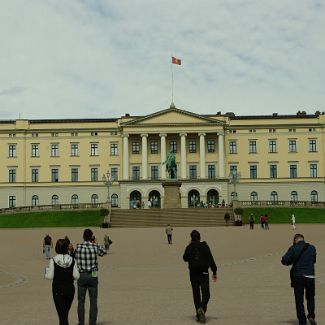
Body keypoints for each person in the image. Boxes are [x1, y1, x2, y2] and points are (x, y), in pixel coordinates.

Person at [281, 233, 317, 325]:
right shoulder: (312, 248)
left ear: (295, 240)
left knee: (299, 300)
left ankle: (302, 321)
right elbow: (314, 260)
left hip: (298, 276)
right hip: (310, 276)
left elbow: (284, 260)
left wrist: (291, 261)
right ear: (303, 239)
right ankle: (311, 316)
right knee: (310, 298)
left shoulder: (293, 248)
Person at [183, 230, 217, 324]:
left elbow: (185, 258)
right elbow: (210, 259)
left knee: (196, 294)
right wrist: (214, 271)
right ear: (199, 237)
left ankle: (199, 314)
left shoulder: (189, 247)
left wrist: (189, 246)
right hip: (204, 273)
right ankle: (202, 309)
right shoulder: (205, 247)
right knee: (206, 294)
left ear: (191, 238)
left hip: (193, 274)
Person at [75, 229, 107, 325]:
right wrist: (95, 242)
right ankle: (92, 322)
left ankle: (81, 323)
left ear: (83, 237)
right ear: (92, 237)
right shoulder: (95, 246)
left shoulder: (78, 246)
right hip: (93, 274)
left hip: (82, 274)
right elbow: (104, 252)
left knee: (81, 301)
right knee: (93, 301)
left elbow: (75, 257)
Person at [45, 238, 80, 325]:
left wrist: (46, 272)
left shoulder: (53, 260)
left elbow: (49, 276)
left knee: (62, 315)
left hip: (58, 289)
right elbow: (77, 276)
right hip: (69, 289)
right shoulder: (72, 260)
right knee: (64, 315)